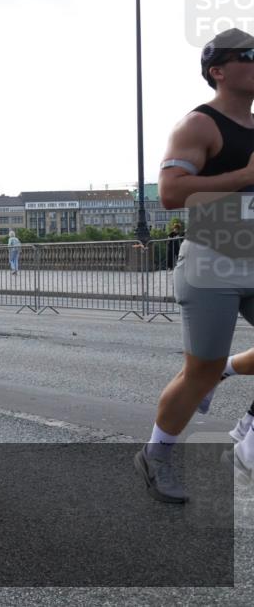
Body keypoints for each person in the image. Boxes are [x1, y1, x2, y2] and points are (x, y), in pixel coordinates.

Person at [134, 28, 254, 503]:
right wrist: (245, 176)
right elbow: (170, 193)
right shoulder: (199, 125)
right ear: (218, 71)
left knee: (211, 368)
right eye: (249, 55)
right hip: (213, 262)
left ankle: (245, 424)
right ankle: (156, 454)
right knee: (197, 372)